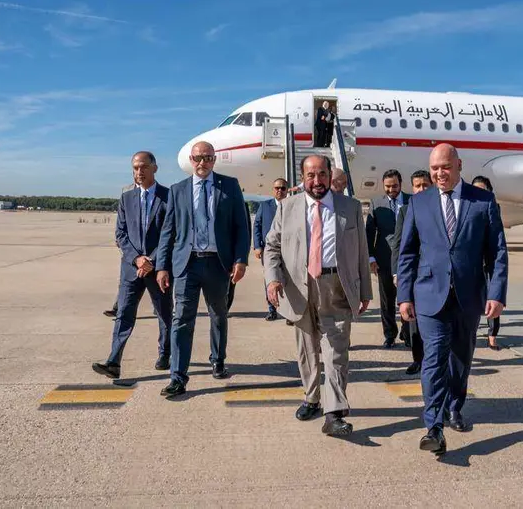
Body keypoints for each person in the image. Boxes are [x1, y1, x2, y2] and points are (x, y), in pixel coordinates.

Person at [397, 144, 508, 456]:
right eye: (434, 168)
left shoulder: (482, 201)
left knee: (461, 358)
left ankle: (454, 407)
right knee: (433, 358)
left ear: (459, 166)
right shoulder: (419, 202)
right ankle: (433, 425)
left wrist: (497, 293)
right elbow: (407, 252)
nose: (439, 174)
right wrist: (404, 295)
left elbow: (497, 251)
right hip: (430, 294)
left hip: (469, 295)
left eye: (445, 167)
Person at [264, 154, 373, 437]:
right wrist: (273, 280)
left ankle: (334, 412)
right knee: (307, 348)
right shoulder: (287, 208)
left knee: (336, 350)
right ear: (302, 178)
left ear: (329, 175)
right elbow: (272, 247)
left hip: (336, 284)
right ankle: (312, 397)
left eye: (322, 174)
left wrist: (365, 291)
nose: (317, 181)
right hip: (299, 287)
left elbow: (361, 251)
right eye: (311, 175)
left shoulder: (349, 207)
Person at [156, 141, 250, 397]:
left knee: (218, 314)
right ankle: (178, 377)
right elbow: (168, 231)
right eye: (198, 158)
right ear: (191, 159)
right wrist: (162, 266)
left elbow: (241, 227)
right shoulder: (178, 190)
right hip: (187, 264)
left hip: (218, 264)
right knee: (182, 320)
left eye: (207, 158)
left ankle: (218, 360)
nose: (202, 163)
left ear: (214, 160)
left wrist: (241, 259)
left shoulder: (229, 186)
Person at [92, 152, 172, 380]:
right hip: (131, 268)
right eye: (135, 168)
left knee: (165, 314)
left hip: (159, 270)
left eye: (143, 167)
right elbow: (120, 234)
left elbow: (171, 234)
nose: (139, 172)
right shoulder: (126, 198)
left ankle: (165, 353)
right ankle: (114, 361)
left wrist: (152, 261)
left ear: (154, 168)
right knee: (124, 314)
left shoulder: (169, 197)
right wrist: (137, 259)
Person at [390, 169, 432, 374]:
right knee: (413, 322)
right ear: (412, 188)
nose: (422, 189)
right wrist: (397, 273)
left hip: (435, 275)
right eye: (418, 185)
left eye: (425, 185)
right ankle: (418, 360)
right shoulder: (406, 211)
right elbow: (399, 245)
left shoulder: (441, 208)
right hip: (414, 275)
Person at [366, 169, 411, 348]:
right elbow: (369, 233)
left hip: (407, 258)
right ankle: (390, 335)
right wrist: (370, 258)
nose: (391, 189)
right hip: (384, 259)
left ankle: (407, 333)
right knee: (387, 300)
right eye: (387, 186)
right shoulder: (376, 204)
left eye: (394, 186)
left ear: (401, 184)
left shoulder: (412, 201)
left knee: (407, 298)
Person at [471, 175, 502, 351]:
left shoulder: (494, 208)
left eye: (483, 189)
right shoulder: (467, 207)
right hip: (473, 261)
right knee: (474, 300)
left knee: (493, 297)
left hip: (488, 261)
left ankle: (492, 336)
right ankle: (471, 333)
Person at [253, 178, 289, 320]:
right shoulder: (265, 205)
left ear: (287, 190)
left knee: (289, 281)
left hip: (288, 250)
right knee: (270, 279)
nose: (279, 190)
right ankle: (272, 309)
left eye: (283, 188)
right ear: (273, 190)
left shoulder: (291, 205)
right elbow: (257, 225)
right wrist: (257, 246)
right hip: (269, 250)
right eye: (277, 188)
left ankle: (289, 312)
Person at [104, 181, 137, 317]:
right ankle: (118, 308)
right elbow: (122, 216)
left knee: (154, 278)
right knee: (125, 278)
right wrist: (119, 237)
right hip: (129, 242)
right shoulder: (126, 190)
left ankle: (161, 308)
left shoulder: (157, 190)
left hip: (149, 243)